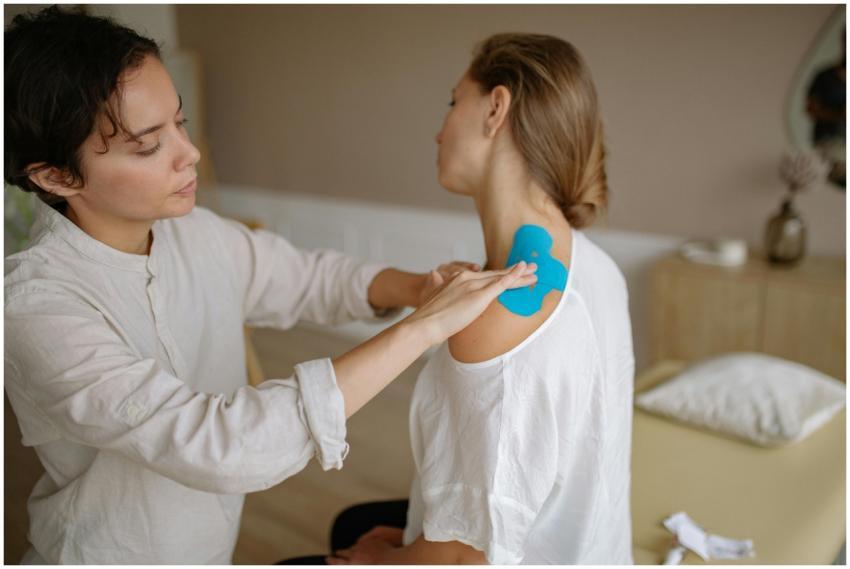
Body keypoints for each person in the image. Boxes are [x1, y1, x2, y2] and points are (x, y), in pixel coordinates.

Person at [3, 8, 538, 565]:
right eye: (148, 144)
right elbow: (223, 443)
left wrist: (418, 288)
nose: (189, 154)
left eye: (179, 123)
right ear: (55, 176)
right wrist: (421, 330)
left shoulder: (196, 234)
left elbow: (308, 279)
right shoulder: (37, 310)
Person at [302, 32, 635, 565]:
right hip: (587, 545)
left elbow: (461, 560)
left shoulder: (493, 323)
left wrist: (375, 560)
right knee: (354, 522)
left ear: (495, 109)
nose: (439, 132)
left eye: (453, 103)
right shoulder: (597, 266)